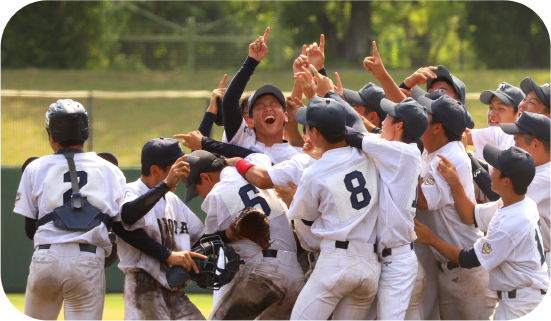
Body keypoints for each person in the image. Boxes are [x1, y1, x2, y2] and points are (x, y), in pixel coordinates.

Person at [14, 99, 126, 321]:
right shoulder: (110, 170)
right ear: (85, 130)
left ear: (51, 134)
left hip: (45, 256)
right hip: (86, 259)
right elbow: (120, 225)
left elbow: (30, 229)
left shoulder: (34, 168)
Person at [415, 145, 549, 321]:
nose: (490, 170)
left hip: (521, 304)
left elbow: (469, 259)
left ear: (506, 181)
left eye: (495, 168)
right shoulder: (519, 203)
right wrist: (456, 183)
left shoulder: (510, 223)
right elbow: (472, 216)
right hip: (521, 297)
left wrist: (431, 239)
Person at [182, 150, 305, 321]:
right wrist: (231, 161)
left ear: (205, 177)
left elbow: (214, 243)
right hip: (296, 276)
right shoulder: (256, 166)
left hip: (262, 275)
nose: (200, 195)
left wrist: (229, 234)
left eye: (197, 189)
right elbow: (258, 154)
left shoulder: (217, 194)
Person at [287, 96, 381, 320]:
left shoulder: (314, 172)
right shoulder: (368, 156)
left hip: (336, 262)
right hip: (370, 264)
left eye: (307, 127)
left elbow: (304, 221)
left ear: (316, 133)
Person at [412, 88, 498, 320]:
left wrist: (399, 170)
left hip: (469, 270)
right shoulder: (433, 150)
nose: (421, 117)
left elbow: (422, 200)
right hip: (447, 271)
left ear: (437, 127)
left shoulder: (448, 156)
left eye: (425, 115)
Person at [345, 97, 428, 321]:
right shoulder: (400, 150)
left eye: (388, 117)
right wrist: (334, 96)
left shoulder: (402, 152)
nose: (383, 121)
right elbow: (360, 128)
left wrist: (321, 112)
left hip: (398, 261)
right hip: (388, 257)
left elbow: (351, 135)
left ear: (399, 126)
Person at [113, 138, 211, 321]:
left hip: (176, 292)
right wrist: (165, 184)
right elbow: (126, 216)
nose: (180, 175)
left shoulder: (173, 200)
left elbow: (202, 236)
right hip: (144, 289)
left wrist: (231, 233)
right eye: (173, 169)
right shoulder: (130, 191)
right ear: (155, 170)